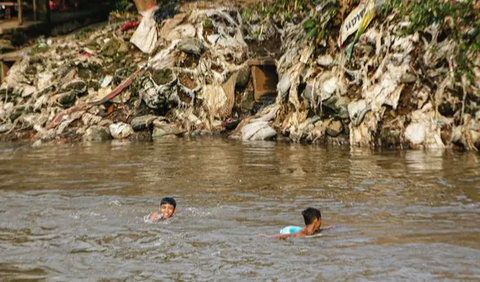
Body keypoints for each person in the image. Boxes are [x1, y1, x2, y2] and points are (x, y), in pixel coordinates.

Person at [258, 207, 333, 239]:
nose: (321, 222)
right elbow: (287, 235)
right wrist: (268, 237)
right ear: (317, 220)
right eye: (320, 220)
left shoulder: (315, 231)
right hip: (288, 231)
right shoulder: (301, 234)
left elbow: (323, 229)